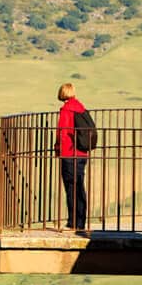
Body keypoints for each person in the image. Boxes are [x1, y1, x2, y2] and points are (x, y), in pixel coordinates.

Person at [56, 82, 89, 231]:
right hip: (82, 153)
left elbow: (63, 133)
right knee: (79, 186)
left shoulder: (66, 110)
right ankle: (81, 221)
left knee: (70, 187)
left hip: (69, 153)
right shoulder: (81, 108)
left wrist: (58, 150)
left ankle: (73, 221)